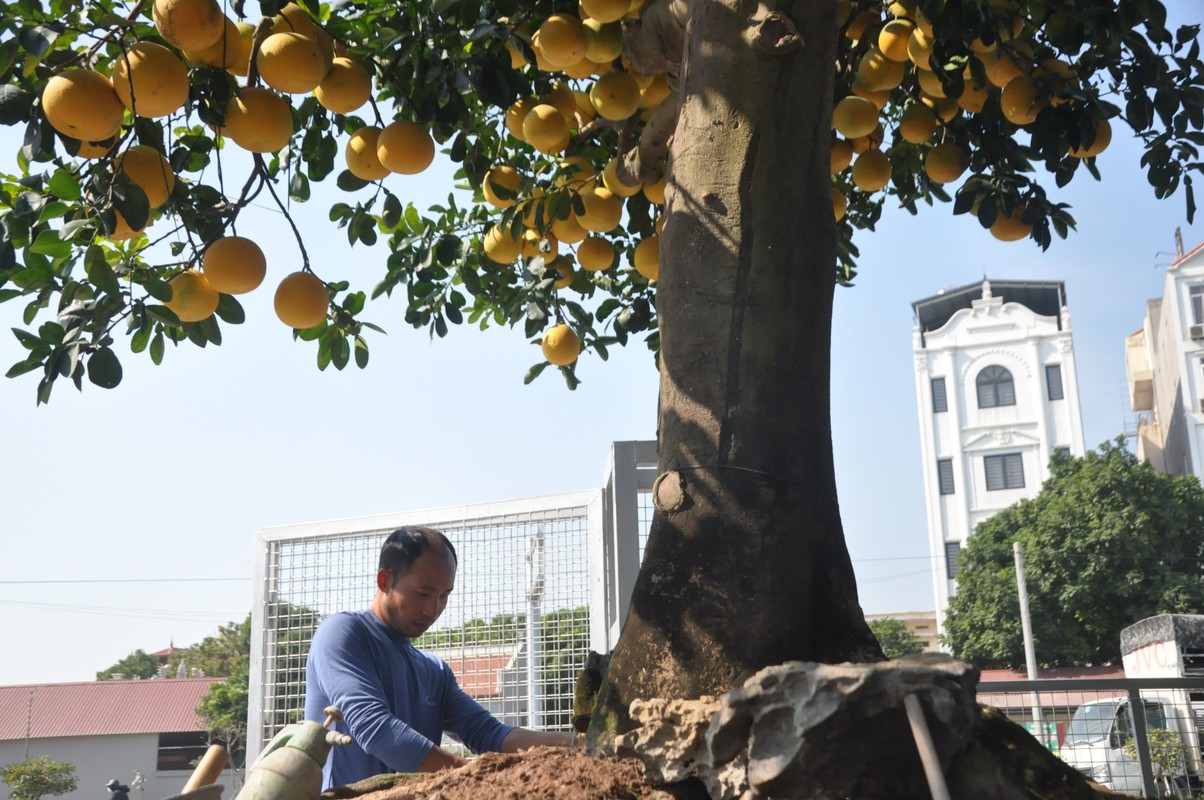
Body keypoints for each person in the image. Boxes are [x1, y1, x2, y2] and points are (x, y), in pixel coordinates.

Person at [304, 526, 576, 787]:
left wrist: (581, 745)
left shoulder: (434, 671)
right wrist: (471, 778)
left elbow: (489, 734)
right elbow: (376, 730)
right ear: (384, 580)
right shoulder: (342, 633)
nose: (433, 609)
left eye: (444, 596)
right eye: (423, 594)